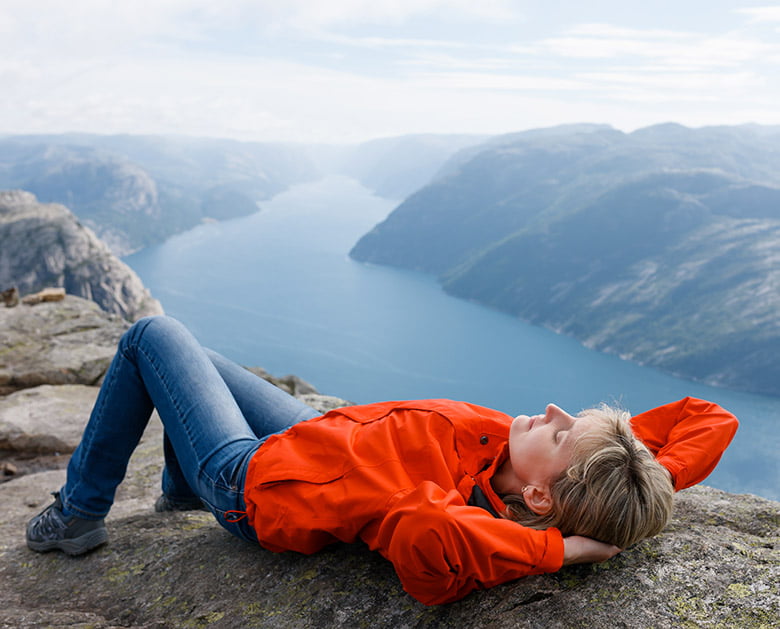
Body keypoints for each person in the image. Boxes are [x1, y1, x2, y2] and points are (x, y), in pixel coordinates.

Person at [25, 316, 738, 605]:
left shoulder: (449, 522)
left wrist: (555, 550)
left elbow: (426, 540)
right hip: (318, 435)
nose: (553, 412)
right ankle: (178, 491)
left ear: (543, 499)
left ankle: (79, 514)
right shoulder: (555, 461)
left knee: (151, 335)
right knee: (197, 361)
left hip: (259, 482)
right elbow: (710, 417)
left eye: (559, 432)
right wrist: (654, 475)